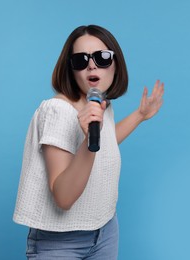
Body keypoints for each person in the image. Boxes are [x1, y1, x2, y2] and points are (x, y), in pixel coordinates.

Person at [13, 24, 164, 259]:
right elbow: (63, 197)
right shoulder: (58, 111)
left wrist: (140, 115)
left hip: (105, 230)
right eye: (80, 60)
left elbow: (105, 144)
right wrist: (87, 142)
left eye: (102, 58)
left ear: (116, 64)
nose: (91, 65)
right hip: (61, 242)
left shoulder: (99, 104)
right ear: (71, 69)